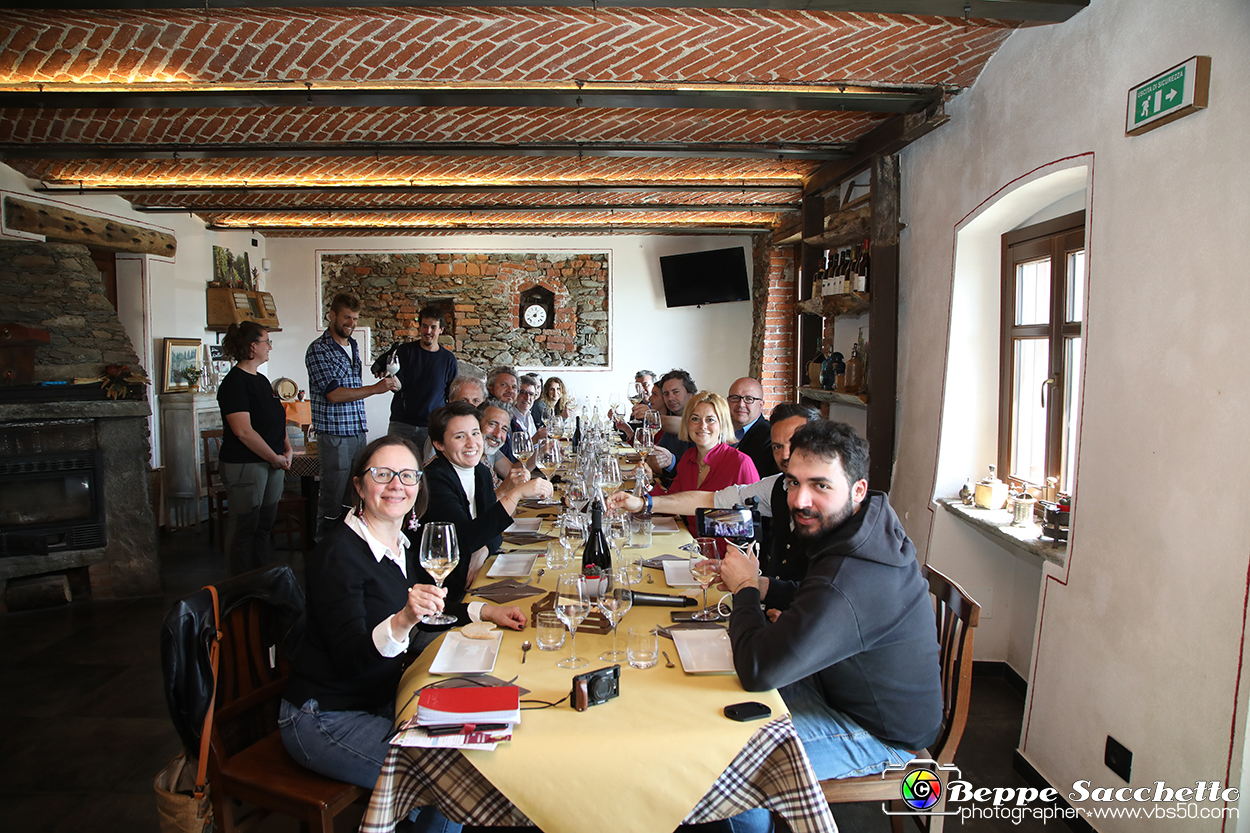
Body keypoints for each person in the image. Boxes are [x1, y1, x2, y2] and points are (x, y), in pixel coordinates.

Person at [279, 435, 525, 833]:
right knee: (454, 778)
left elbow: (427, 606)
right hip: (326, 717)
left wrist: (486, 610)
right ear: (359, 485)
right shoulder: (338, 555)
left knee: (488, 732)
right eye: (383, 474)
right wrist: (402, 621)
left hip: (383, 700)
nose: (397, 485)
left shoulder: (398, 543)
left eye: (408, 475)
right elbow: (351, 662)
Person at [718, 420, 942, 798]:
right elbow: (815, 593)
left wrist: (743, 588)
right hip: (835, 689)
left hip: (882, 736)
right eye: (793, 482)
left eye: (820, 485)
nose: (800, 500)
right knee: (720, 707)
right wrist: (763, 585)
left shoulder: (852, 574)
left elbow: (758, 669)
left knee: (733, 760)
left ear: (858, 490)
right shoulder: (862, 528)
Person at [608, 403, 820, 580]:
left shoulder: (741, 463)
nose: (785, 455)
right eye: (777, 447)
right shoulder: (775, 486)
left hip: (722, 560)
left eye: (710, 419)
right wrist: (644, 502)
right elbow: (709, 500)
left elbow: (749, 532)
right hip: (705, 558)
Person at [422, 402, 553, 596]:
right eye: (460, 436)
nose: (472, 443)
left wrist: (483, 549)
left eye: (475, 433)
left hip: (479, 574)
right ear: (439, 444)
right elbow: (465, 540)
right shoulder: (434, 479)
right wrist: (515, 494)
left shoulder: (480, 472)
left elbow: (494, 530)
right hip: (446, 591)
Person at [305, 293, 399, 538]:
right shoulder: (318, 349)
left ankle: (349, 549)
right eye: (347, 317)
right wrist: (375, 390)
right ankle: (324, 551)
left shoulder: (353, 346)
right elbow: (333, 395)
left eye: (355, 319)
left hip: (358, 431)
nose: (351, 323)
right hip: (334, 434)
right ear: (332, 316)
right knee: (332, 499)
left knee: (356, 496)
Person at [216, 321, 291, 576]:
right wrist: (274, 458)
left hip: (272, 462)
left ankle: (261, 578)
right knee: (244, 526)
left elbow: (275, 418)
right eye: (266, 341)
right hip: (245, 464)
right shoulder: (234, 383)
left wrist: (286, 450)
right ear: (252, 346)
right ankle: (239, 585)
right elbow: (243, 431)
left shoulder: (261, 380)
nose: (270, 346)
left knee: (264, 526)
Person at [654, 391, 758, 533]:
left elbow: (750, 525)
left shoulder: (741, 463)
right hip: (691, 545)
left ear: (722, 425)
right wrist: (648, 483)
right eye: (695, 419)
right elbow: (670, 508)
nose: (702, 426)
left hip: (727, 550)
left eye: (710, 420)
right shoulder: (688, 458)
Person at [386, 306, 458, 460]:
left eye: (433, 327)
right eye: (425, 326)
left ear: (441, 330)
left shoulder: (448, 359)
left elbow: (451, 395)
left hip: (432, 427)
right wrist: (391, 378)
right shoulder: (405, 351)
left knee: (428, 472)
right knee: (396, 464)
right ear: (420, 328)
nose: (428, 331)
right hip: (401, 424)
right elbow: (398, 386)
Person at [646, 368, 698, 483]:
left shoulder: (701, 423)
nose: (670, 398)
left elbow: (697, 472)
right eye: (666, 394)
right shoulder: (670, 427)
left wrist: (671, 463)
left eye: (676, 392)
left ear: (690, 394)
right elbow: (652, 460)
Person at [728, 376, 777, 478]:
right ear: (728, 401)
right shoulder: (716, 430)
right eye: (735, 398)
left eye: (749, 399)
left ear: (761, 404)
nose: (741, 404)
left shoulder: (771, 437)